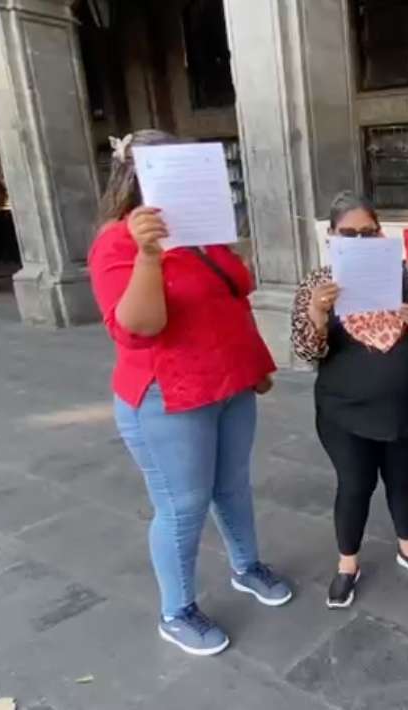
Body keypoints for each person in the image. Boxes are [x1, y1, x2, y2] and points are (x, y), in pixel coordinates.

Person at [88, 130, 294, 657]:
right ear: (138, 176)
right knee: (182, 506)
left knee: (233, 487)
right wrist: (148, 256)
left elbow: (232, 302)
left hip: (228, 384)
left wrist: (255, 367)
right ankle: (175, 611)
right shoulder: (116, 241)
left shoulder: (202, 235)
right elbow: (139, 327)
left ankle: (246, 567)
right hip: (166, 396)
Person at [291, 192, 408, 609]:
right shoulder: (317, 284)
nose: (361, 241)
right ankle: (348, 565)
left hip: (407, 406)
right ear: (331, 237)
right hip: (344, 412)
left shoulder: (405, 274)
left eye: (369, 232)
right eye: (350, 234)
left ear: (381, 233)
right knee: (354, 484)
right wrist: (317, 315)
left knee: (404, 479)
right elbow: (307, 350)